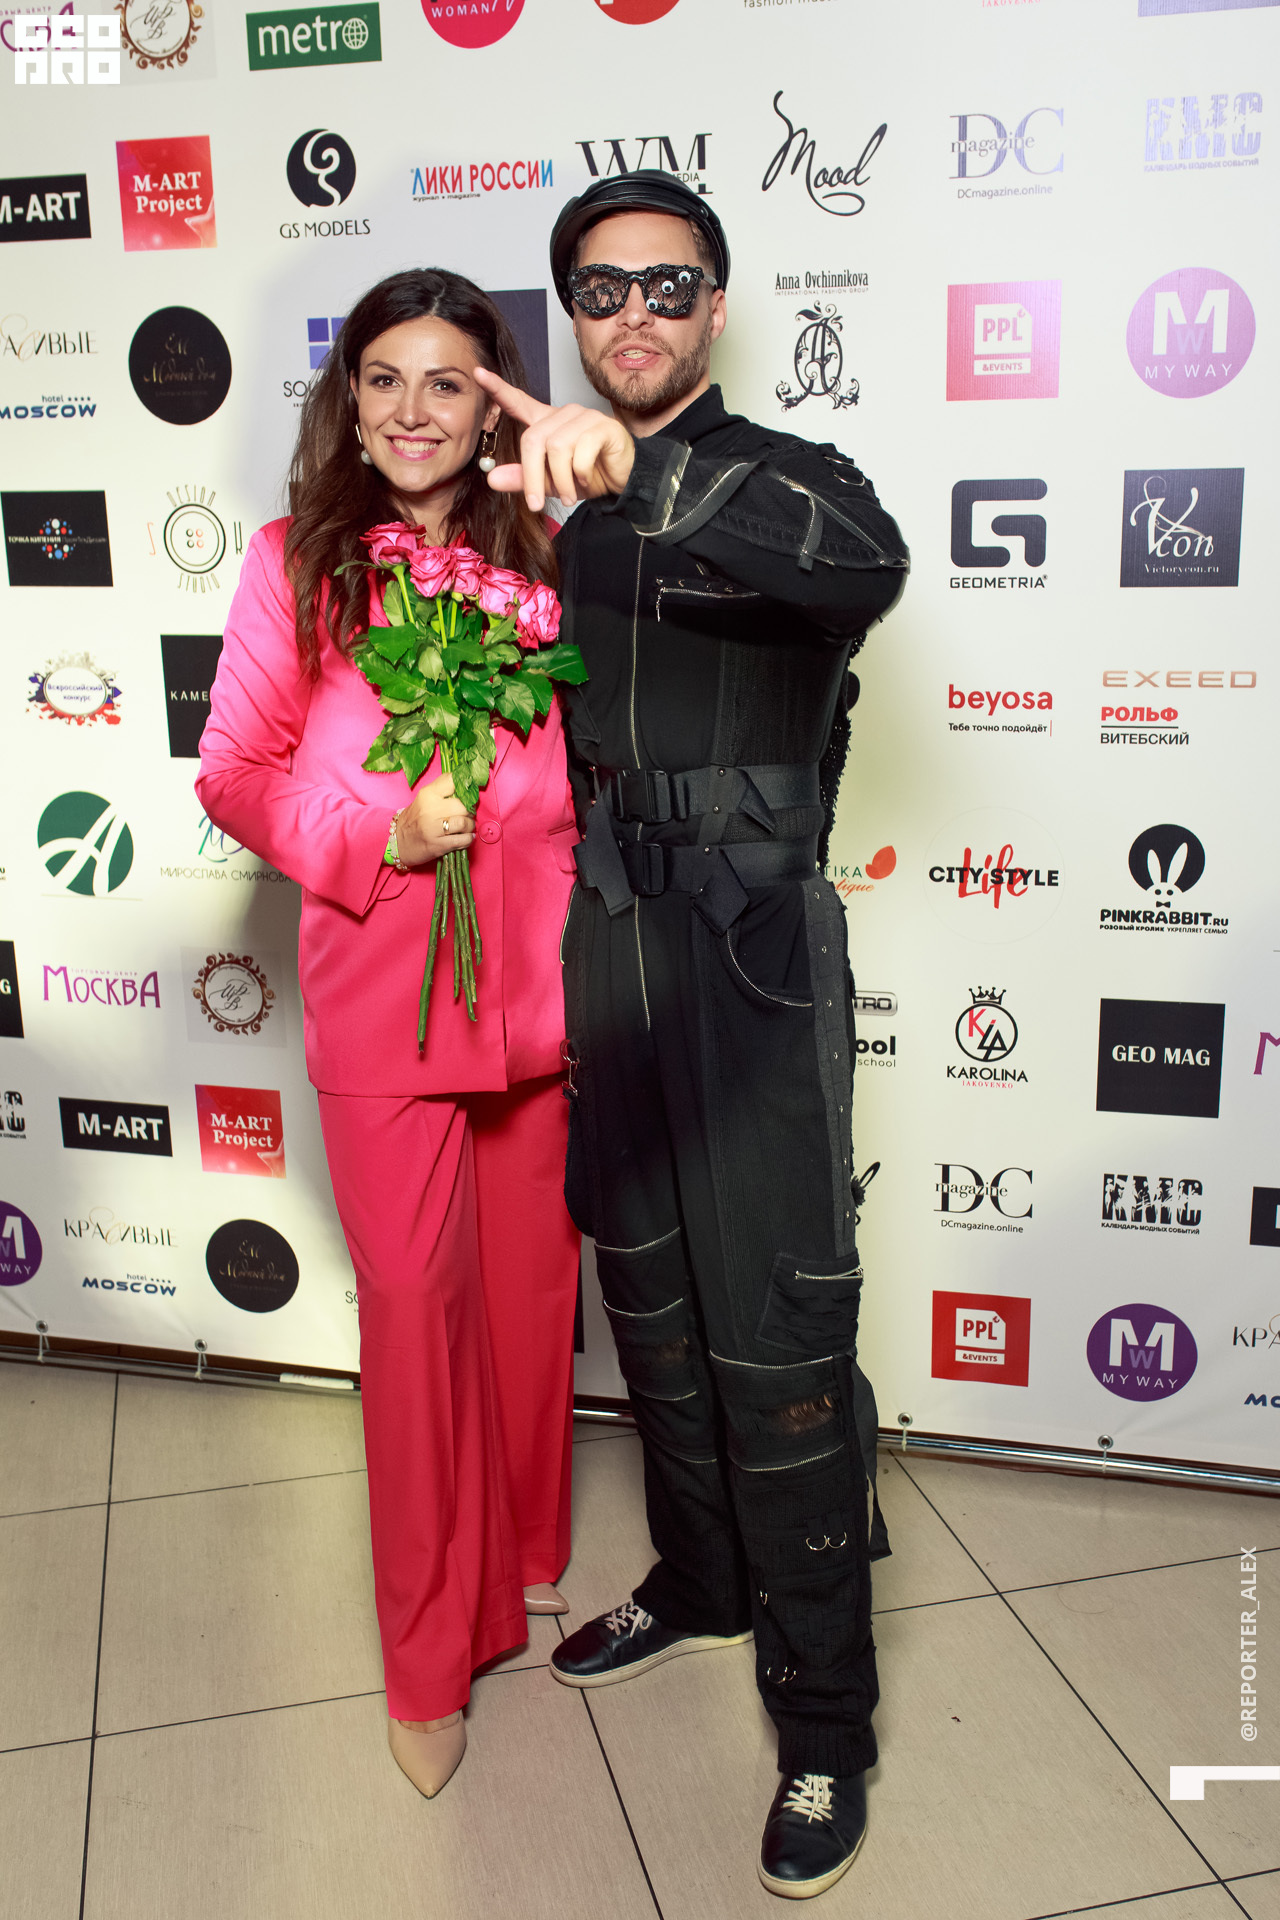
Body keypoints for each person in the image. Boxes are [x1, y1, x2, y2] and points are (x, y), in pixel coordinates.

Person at [474, 175, 908, 1899]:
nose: (635, 313)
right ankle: (705, 1583)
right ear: (571, 314)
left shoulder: (794, 480)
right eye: (601, 288)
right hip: (611, 946)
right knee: (648, 1299)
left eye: (668, 284)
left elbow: (865, 571)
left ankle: (828, 1722)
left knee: (778, 1331)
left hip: (756, 957)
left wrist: (640, 474)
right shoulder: (547, 516)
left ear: (716, 305)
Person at [196, 269, 581, 1803]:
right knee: (416, 1320)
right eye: (385, 380)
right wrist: (384, 836)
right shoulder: (297, 563)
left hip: (541, 994)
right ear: (348, 403)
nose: (415, 410)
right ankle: (428, 1658)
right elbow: (236, 772)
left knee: (528, 1299)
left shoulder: (547, 552)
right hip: (383, 995)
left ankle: (522, 1562)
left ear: (494, 404)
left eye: (449, 381)